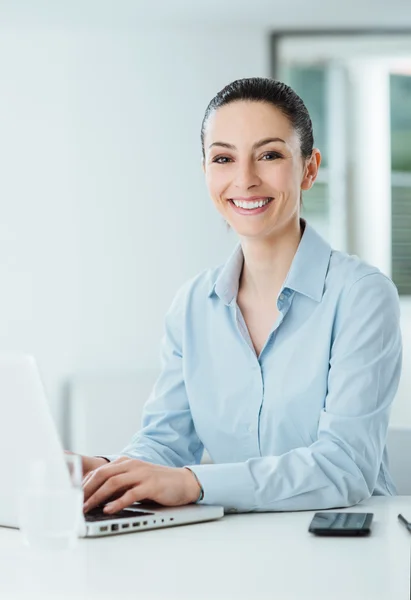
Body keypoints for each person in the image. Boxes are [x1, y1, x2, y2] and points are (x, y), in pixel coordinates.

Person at [80, 77, 402, 515]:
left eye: (269, 155)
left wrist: (195, 483)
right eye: (223, 159)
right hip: (234, 547)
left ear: (309, 168)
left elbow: (345, 466)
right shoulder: (192, 305)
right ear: (207, 173)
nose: (244, 180)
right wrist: (103, 473)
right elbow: (165, 443)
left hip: (346, 547)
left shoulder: (361, 295)